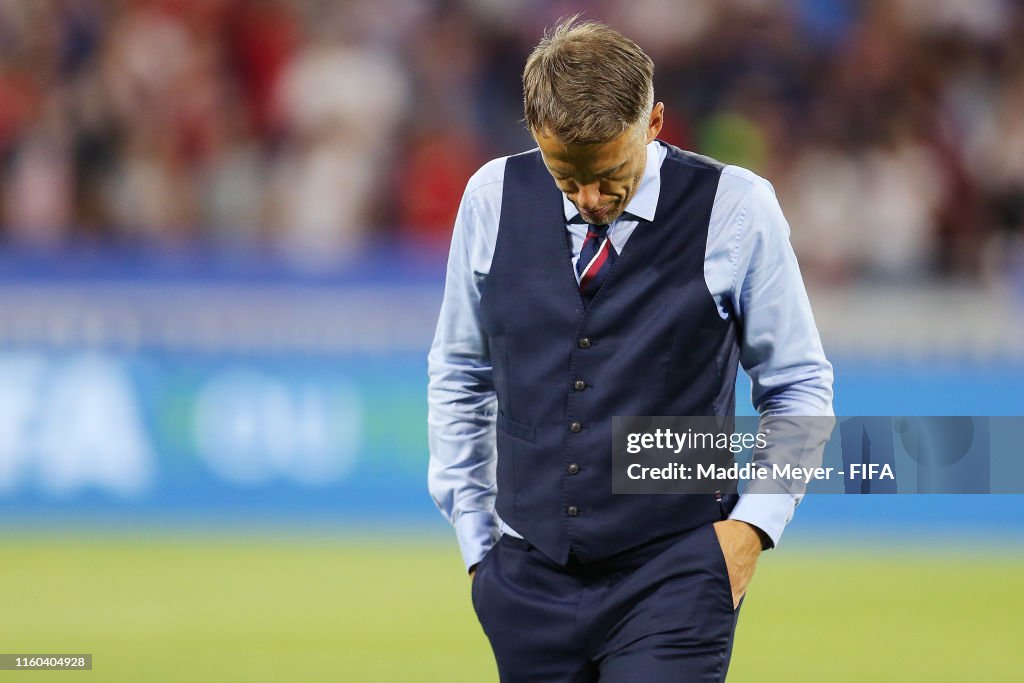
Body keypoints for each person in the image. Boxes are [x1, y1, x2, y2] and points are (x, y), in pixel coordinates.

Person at [427, 17, 833, 682]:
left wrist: (751, 528)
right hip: (526, 579)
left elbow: (798, 384)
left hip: (676, 572)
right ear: (534, 134)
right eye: (566, 176)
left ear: (655, 123)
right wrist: (477, 542)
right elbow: (459, 370)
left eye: (611, 172)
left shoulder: (737, 207)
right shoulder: (490, 197)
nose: (590, 199)